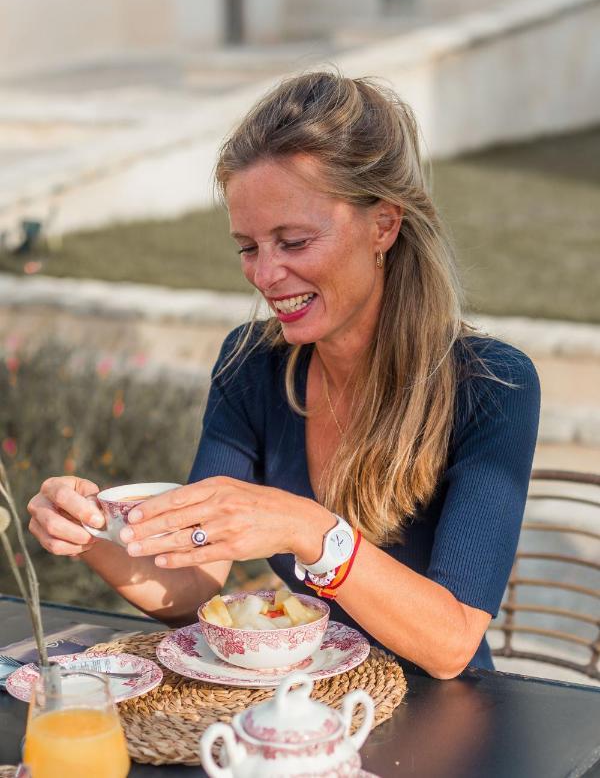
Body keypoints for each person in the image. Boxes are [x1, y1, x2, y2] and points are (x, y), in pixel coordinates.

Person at [27, 72, 540, 679]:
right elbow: (194, 584)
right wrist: (94, 535)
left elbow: (451, 642)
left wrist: (308, 529)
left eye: (293, 241)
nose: (265, 275)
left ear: (384, 226)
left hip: (435, 724)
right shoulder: (251, 364)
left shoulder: (491, 386)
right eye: (248, 247)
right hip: (294, 713)